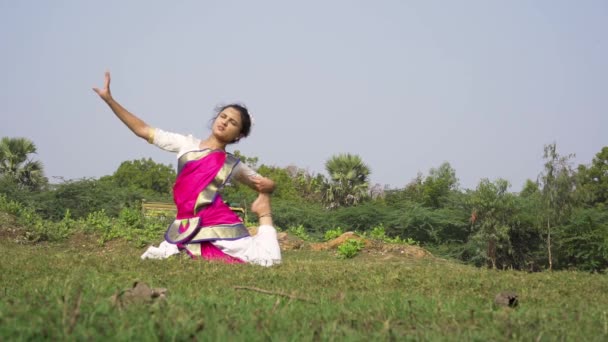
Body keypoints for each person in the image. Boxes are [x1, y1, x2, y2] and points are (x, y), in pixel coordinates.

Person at [93, 71, 281, 266]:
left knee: (268, 261)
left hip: (217, 221)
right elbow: (142, 130)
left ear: (238, 136)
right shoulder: (186, 144)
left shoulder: (232, 164)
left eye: (232, 122)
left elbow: (265, 185)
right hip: (186, 224)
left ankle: (264, 214)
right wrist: (109, 100)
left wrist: (269, 185)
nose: (225, 122)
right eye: (223, 116)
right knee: (166, 257)